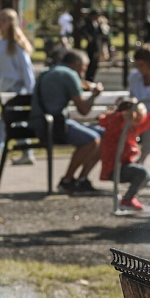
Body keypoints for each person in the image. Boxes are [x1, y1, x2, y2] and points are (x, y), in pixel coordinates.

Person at [33, 48, 105, 193]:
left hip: (41, 123)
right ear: (77, 64)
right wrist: (94, 95)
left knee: (105, 135)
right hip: (54, 127)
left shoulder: (49, 71)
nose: (83, 74)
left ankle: (81, 180)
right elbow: (83, 110)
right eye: (83, 69)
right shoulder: (69, 75)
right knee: (93, 140)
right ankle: (68, 180)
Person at [0, 8, 36, 166]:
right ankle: (27, 153)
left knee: (5, 121)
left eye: (4, 20)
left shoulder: (18, 46)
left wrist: (31, 93)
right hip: (5, 88)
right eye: (0, 20)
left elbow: (27, 71)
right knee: (17, 123)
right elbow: (1, 70)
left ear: (11, 23)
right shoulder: (0, 43)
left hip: (18, 88)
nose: (0, 23)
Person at [97, 98, 150, 211]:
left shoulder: (131, 127)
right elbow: (109, 120)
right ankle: (127, 200)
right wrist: (121, 115)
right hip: (114, 167)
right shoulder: (117, 123)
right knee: (143, 174)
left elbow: (145, 123)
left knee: (144, 174)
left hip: (123, 164)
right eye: (137, 120)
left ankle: (129, 198)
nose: (138, 124)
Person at [127, 43, 150, 168]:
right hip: (141, 119)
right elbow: (132, 97)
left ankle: (139, 163)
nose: (139, 69)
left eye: (142, 65)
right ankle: (139, 166)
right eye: (137, 65)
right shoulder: (134, 77)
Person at [77, 10, 107, 83]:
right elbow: (83, 30)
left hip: (97, 45)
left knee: (95, 63)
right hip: (91, 46)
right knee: (91, 62)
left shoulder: (97, 23)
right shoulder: (87, 23)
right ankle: (88, 78)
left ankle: (92, 78)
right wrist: (88, 36)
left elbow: (101, 33)